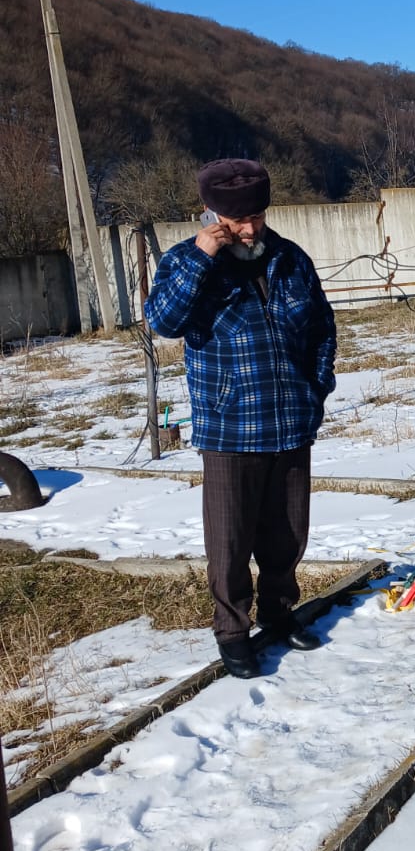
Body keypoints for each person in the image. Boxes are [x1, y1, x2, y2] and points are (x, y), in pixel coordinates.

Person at [145, 159, 337, 678]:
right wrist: (203, 258)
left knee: (288, 533)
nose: (249, 229)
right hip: (230, 425)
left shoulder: (291, 259)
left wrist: (315, 389)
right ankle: (233, 631)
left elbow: (322, 328)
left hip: (291, 420)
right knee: (229, 542)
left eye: (256, 215)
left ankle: (278, 613)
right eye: (235, 221)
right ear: (212, 215)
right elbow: (164, 322)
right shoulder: (186, 261)